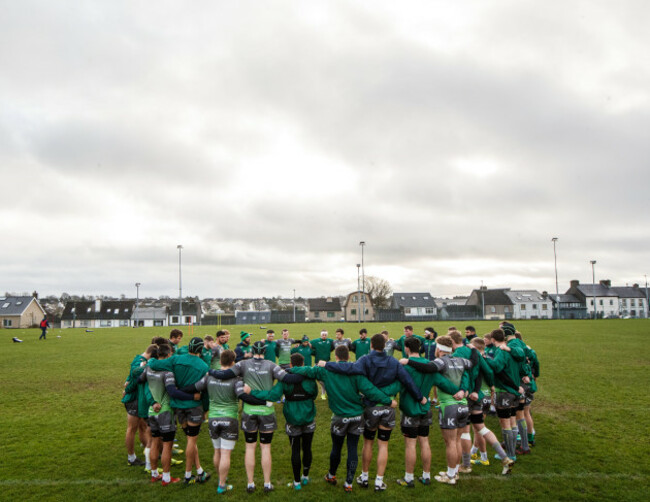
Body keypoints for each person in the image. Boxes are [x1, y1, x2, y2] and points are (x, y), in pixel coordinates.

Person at [321, 334, 425, 492]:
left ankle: (364, 477)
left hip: (370, 407)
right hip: (388, 408)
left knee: (368, 443)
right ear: (385, 345)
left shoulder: (364, 359)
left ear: (371, 345)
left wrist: (328, 365)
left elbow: (349, 368)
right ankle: (379, 481)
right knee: (383, 445)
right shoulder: (393, 361)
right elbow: (406, 381)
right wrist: (420, 397)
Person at [290, 345, 397, 493]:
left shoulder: (326, 371)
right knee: (352, 448)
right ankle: (349, 483)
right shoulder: (356, 372)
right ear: (349, 357)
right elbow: (370, 391)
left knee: (337, 448)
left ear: (336, 357)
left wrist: (289, 370)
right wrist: (388, 401)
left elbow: (306, 369)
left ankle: (331, 475)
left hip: (339, 417)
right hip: (357, 417)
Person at [207, 340, 305, 493]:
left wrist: (211, 372)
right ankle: (267, 484)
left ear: (252, 351)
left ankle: (250, 483)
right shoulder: (272, 365)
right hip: (266, 412)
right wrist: (305, 373)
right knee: (265, 448)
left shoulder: (243, 364)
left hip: (249, 412)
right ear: (265, 351)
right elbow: (289, 379)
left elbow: (225, 373)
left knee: (250, 448)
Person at [184, 349, 269, 494]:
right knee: (225, 454)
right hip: (229, 419)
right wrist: (264, 402)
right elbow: (244, 397)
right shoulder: (236, 380)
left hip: (213, 419)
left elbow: (192, 388)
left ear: (221, 361)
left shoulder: (209, 376)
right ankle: (222, 485)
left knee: (217, 451)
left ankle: (220, 479)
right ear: (232, 362)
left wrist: (176, 391)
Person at [402, 336, 473, 485]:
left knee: (414, 444)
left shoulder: (435, 364)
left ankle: (410, 477)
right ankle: (431, 475)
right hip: (460, 404)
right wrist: (461, 391)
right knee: (429, 442)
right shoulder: (458, 361)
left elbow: (402, 382)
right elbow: (448, 381)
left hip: (432, 407)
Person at [246, 352, 318, 491]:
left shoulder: (285, 379)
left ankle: (296, 482)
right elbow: (314, 394)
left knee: (295, 449)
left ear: (291, 364)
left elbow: (273, 395)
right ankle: (305, 476)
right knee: (307, 448)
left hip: (292, 420)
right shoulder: (310, 378)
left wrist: (252, 392)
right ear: (303, 364)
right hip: (308, 418)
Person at [148, 337, 211, 484]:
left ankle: (200, 470)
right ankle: (188, 476)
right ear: (201, 350)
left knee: (190, 440)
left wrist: (149, 360)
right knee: (191, 440)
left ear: (188, 347)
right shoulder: (203, 366)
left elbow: (155, 363)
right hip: (194, 407)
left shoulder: (176, 359)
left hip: (177, 406)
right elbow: (206, 391)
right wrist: (205, 409)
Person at [140, 343, 197, 486]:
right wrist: (192, 397)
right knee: (167, 445)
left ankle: (154, 474)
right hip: (165, 412)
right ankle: (166, 478)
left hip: (152, 411)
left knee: (154, 442)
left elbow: (140, 380)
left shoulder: (148, 368)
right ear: (167, 355)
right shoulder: (167, 372)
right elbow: (172, 392)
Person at [485, 328, 524, 462]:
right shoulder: (510, 349)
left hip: (504, 391)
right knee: (512, 422)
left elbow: (497, 367)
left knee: (505, 423)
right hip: (514, 391)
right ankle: (512, 452)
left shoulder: (501, 351)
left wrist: (485, 359)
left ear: (492, 340)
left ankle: (509, 454)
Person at [122, 344, 156, 468]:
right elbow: (135, 377)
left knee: (143, 426)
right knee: (132, 428)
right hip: (133, 399)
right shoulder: (139, 362)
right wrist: (128, 389)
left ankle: (150, 453)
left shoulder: (141, 359)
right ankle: (131, 457)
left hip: (139, 399)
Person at [310, 330, 334, 399]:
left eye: (325, 335)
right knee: (318, 380)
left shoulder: (330, 341)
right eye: (323, 335)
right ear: (321, 335)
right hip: (318, 364)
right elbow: (309, 344)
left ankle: (324, 394)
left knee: (326, 381)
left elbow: (337, 343)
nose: (324, 336)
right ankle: (311, 393)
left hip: (326, 365)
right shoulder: (316, 341)